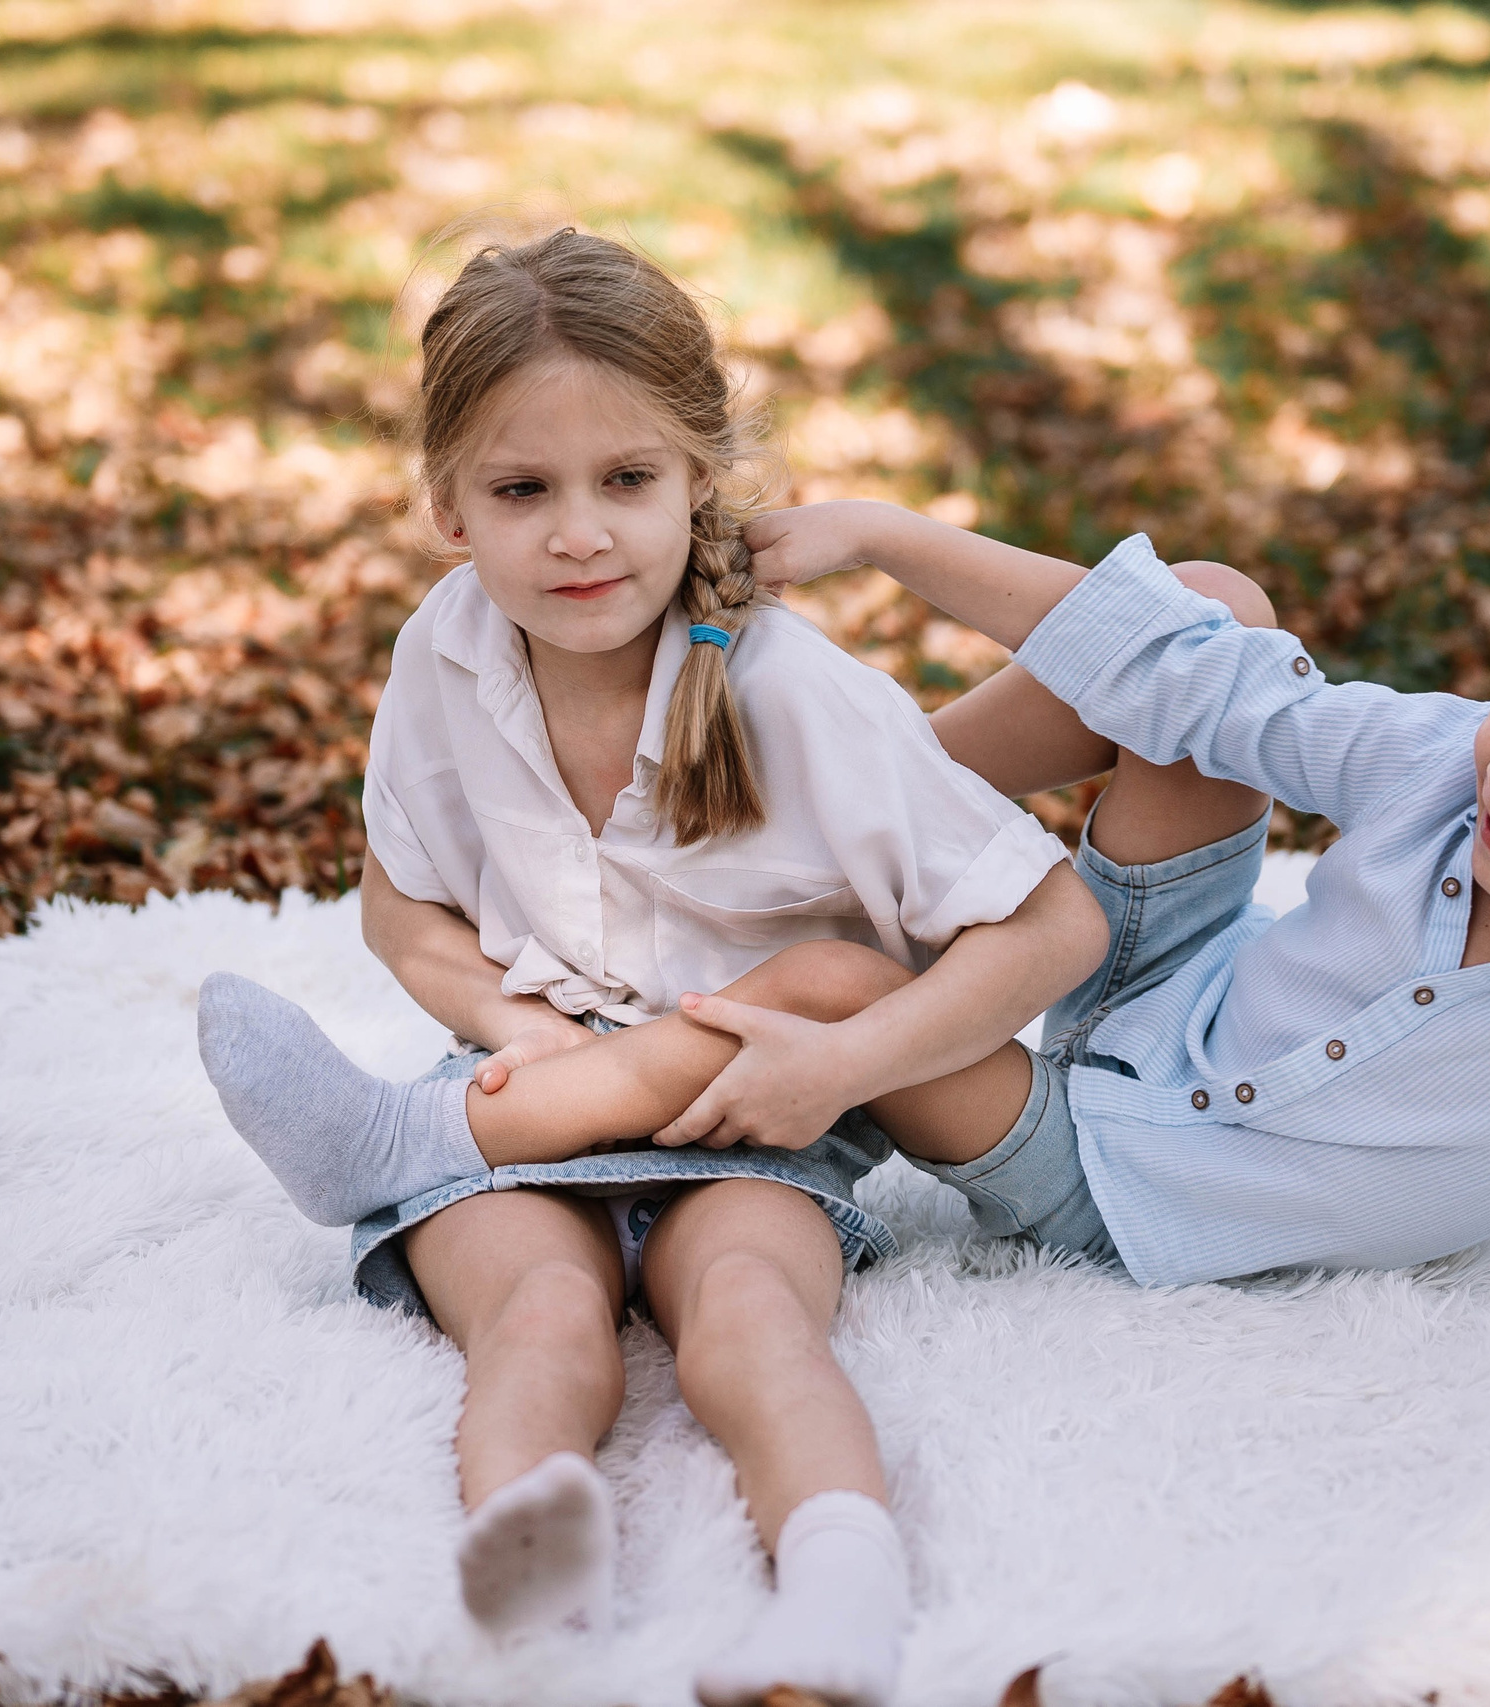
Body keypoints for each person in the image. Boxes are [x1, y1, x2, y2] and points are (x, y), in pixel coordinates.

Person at [448, 504, 1490, 1398]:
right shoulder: (1440, 761)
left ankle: (529, 1102)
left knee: (840, 997)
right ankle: (840, 824)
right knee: (1216, 605)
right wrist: (879, 535)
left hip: (1118, 1182)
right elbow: (1181, 667)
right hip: (1159, 977)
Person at [193, 230, 1107, 1707]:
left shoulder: (790, 693)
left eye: (626, 482)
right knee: (537, 1324)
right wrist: (504, 1016)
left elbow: (1055, 924)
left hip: (744, 1124)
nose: (578, 536)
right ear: (446, 509)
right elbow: (403, 913)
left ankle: (839, 1587)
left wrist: (847, 1068)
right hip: (531, 1101)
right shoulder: (445, 657)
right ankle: (541, 1587)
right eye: (520, 491)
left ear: (697, 482)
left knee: (747, 1313)